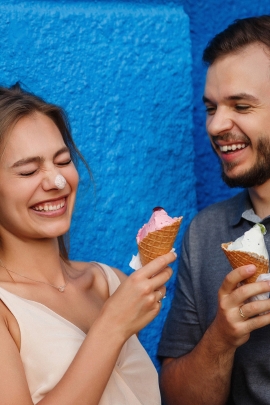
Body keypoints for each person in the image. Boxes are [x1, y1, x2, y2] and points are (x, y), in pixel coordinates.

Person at [0, 82, 176, 405]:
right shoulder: (6, 311)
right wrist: (112, 326)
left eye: (63, 161)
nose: (57, 181)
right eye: (28, 171)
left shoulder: (110, 283)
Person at [158, 15, 270, 405]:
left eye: (240, 105)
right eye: (211, 108)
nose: (217, 124)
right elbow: (177, 398)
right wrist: (221, 337)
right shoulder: (205, 233)